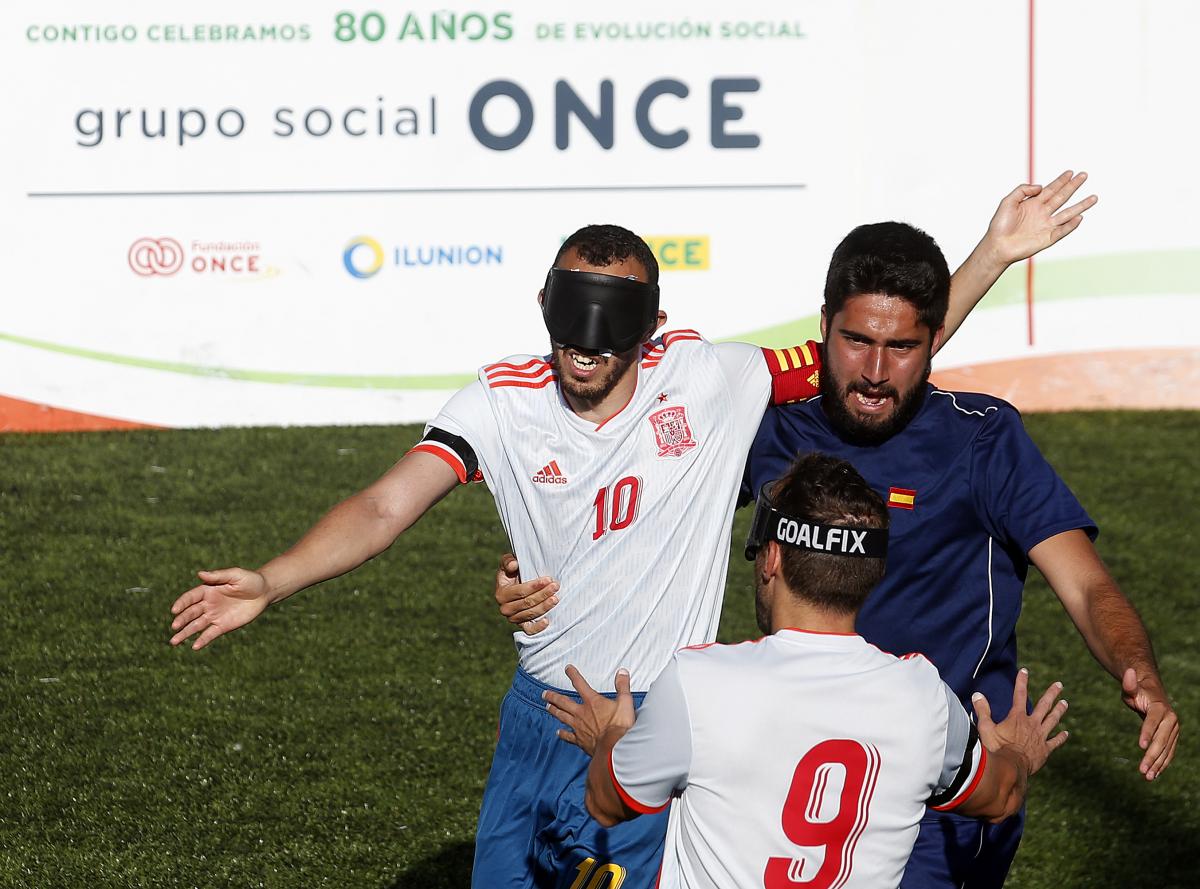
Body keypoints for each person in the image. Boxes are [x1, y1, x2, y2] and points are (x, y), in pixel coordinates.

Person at [169, 172, 1094, 889]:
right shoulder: (498, 400)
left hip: (656, 718)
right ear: (545, 308)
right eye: (572, 317)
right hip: (534, 713)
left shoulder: (708, 381)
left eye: (612, 326)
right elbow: (384, 505)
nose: (587, 347)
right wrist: (271, 579)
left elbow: (871, 356)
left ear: (650, 327)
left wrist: (992, 252)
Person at [737, 221, 1179, 888]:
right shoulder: (767, 427)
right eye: (857, 341)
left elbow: (1086, 586)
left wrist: (1137, 665)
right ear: (823, 327)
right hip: (791, 769)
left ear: (934, 342)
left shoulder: (984, 439)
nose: (877, 372)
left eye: (902, 347)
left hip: (950, 788)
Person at [544, 452, 1070, 889]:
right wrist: (1019, 754)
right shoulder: (923, 697)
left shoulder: (700, 682)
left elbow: (609, 802)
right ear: (871, 571)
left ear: (771, 558)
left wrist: (610, 735)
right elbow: (1001, 796)